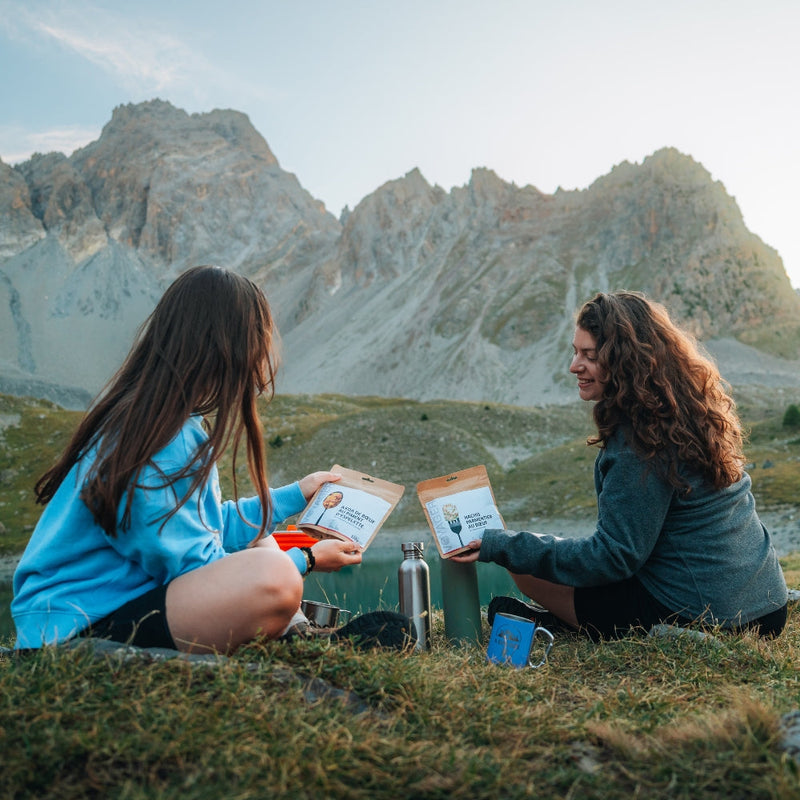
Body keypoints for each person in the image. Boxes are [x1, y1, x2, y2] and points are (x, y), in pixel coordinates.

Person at [12, 266, 374, 654]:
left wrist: (299, 493)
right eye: (258, 338)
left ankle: (296, 634)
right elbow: (197, 566)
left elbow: (210, 527)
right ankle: (293, 634)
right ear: (227, 345)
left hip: (90, 614)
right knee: (277, 578)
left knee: (260, 539)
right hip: (75, 629)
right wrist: (304, 559)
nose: (262, 355)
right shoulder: (162, 436)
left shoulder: (157, 418)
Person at [453, 291, 788, 640]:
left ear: (625, 361)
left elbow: (615, 557)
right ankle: (562, 621)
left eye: (589, 356)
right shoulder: (693, 412)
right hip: (767, 604)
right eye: (574, 351)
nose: (574, 366)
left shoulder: (640, 440)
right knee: (544, 554)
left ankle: (573, 624)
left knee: (525, 569)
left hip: (716, 616)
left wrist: (504, 546)